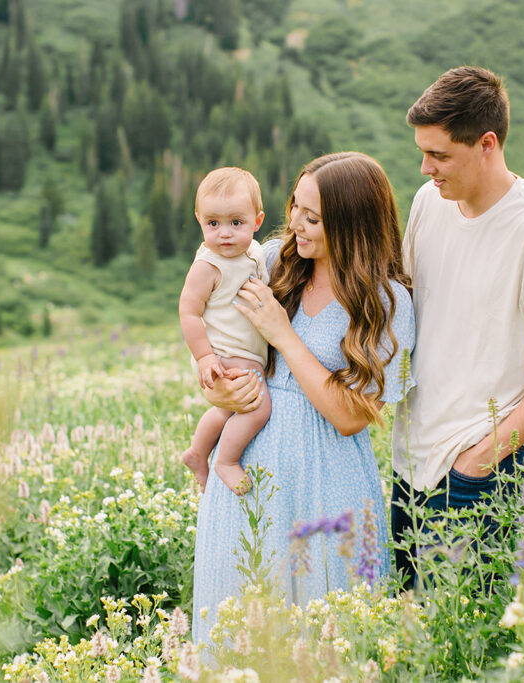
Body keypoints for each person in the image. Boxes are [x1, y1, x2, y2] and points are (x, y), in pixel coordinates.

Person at [192, 152, 415, 645]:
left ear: (352, 224)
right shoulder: (270, 261)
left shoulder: (386, 302)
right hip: (250, 468)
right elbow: (213, 336)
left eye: (312, 217)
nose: (294, 222)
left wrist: (283, 335)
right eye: (296, 205)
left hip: (328, 477)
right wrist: (217, 383)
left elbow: (350, 416)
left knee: (329, 630)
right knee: (241, 622)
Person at [391, 66, 524, 590]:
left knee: (469, 646)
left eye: (438, 155)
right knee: (408, 637)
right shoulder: (427, 206)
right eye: (422, 152)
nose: (424, 168)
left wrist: (483, 459)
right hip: (408, 464)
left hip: (477, 476)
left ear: (486, 144)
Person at [179, 167, 272, 495]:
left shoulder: (257, 251)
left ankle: (197, 452)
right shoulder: (208, 266)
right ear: (199, 219)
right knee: (258, 407)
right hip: (227, 353)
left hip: (245, 352)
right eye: (213, 224)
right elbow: (189, 311)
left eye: (237, 223)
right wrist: (204, 357)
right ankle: (226, 461)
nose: (225, 234)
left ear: (257, 221)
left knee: (225, 408)